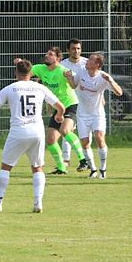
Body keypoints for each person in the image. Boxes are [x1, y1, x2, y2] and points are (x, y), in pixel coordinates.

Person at [0, 59, 64, 213]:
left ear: (16, 73)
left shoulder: (10, 89)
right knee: (37, 168)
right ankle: (38, 202)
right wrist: (59, 115)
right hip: (37, 132)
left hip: (18, 132)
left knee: (6, 167)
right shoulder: (40, 88)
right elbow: (60, 106)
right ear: (30, 73)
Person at [24, 47, 88, 174]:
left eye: (50, 54)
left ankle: (83, 160)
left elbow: (74, 86)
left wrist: (70, 78)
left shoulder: (63, 71)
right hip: (58, 107)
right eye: (47, 53)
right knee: (50, 139)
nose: (46, 56)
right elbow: (25, 73)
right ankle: (61, 168)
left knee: (65, 130)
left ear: (58, 58)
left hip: (70, 104)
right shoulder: (40, 68)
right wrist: (21, 63)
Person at [67, 53, 122, 179]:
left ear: (97, 64)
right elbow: (74, 85)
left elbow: (119, 92)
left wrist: (111, 81)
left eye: (91, 60)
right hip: (82, 114)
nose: (87, 61)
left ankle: (103, 168)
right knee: (85, 142)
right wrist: (70, 78)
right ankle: (93, 169)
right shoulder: (82, 72)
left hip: (97, 114)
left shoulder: (103, 77)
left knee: (99, 137)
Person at [59, 39, 87, 167]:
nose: (76, 51)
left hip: (85, 103)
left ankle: (86, 160)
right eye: (73, 48)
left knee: (85, 134)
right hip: (70, 103)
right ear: (68, 50)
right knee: (66, 130)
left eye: (78, 48)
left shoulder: (87, 63)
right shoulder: (63, 65)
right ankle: (66, 160)